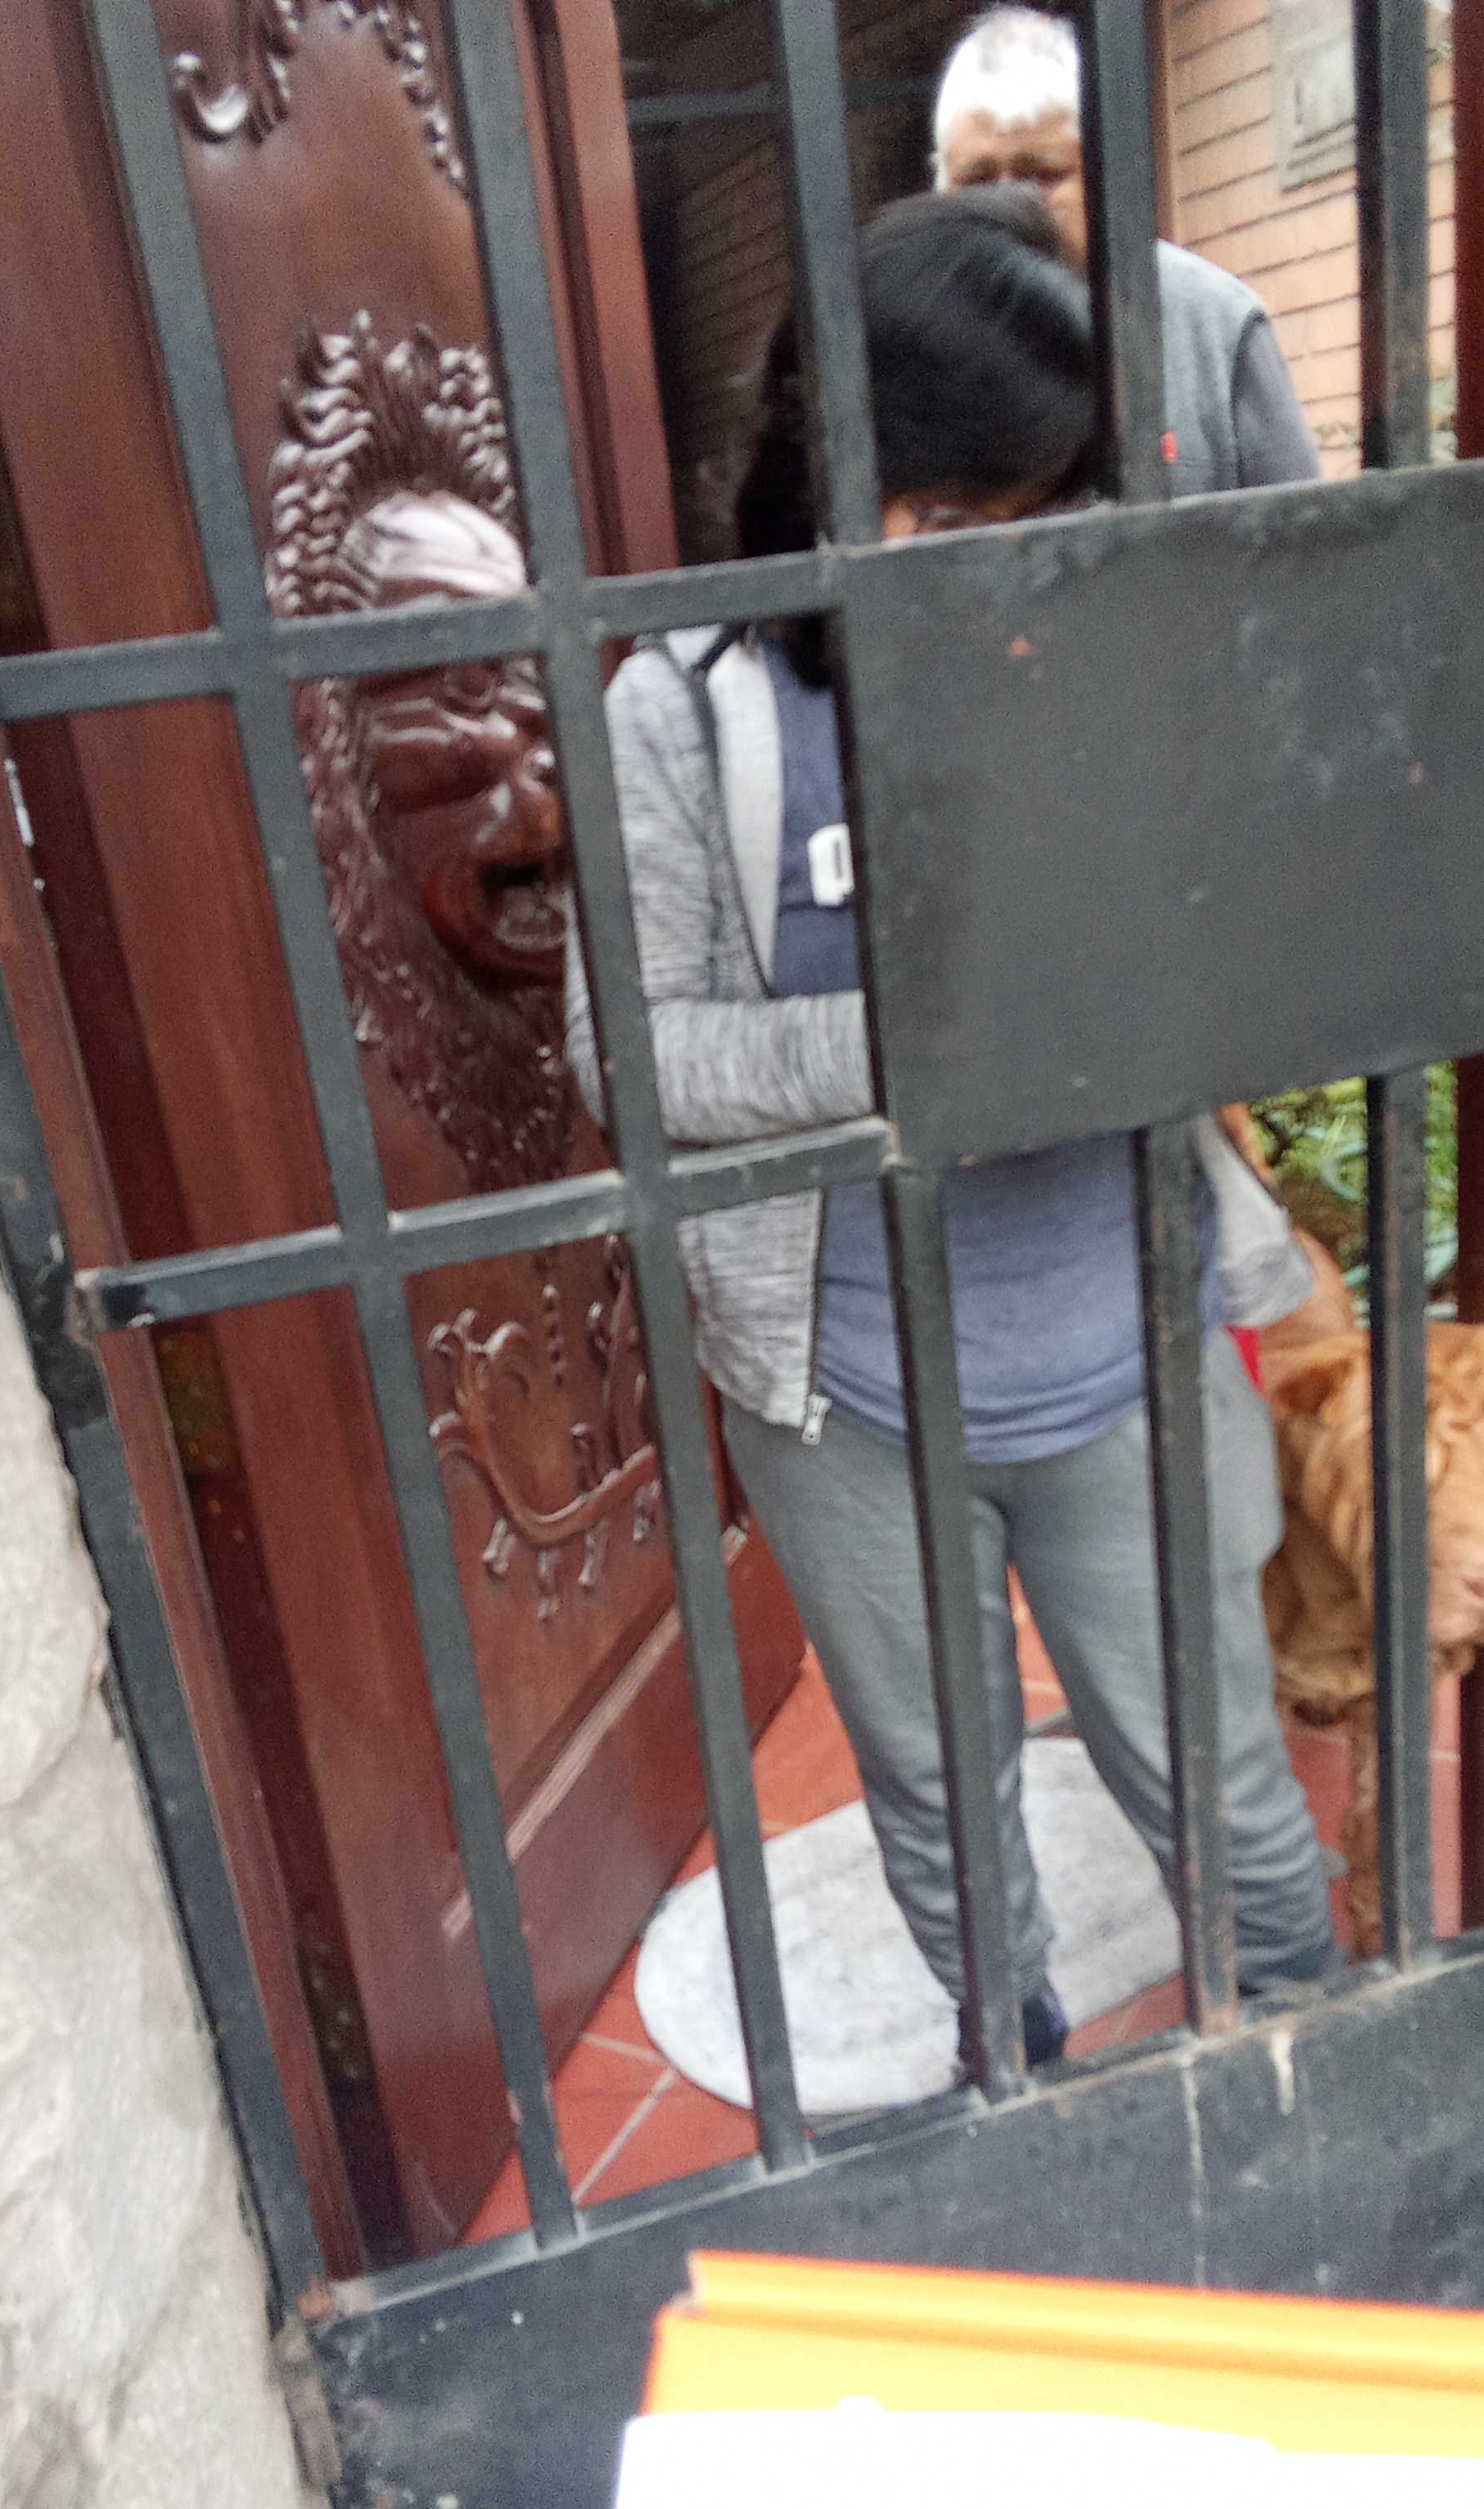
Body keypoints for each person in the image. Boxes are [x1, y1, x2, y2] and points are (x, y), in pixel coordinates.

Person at [566, 188, 1338, 2078]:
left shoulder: (1112, 644)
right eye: (959, 515)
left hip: (1124, 1352)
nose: (1008, 558)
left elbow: (1263, 940)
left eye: (1040, 506)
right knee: (943, 1806)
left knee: (1221, 1780)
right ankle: (1021, 2084)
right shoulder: (693, 708)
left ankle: (1316, 2080)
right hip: (849, 1397)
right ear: (848, 472)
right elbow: (631, 1058)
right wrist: (920, 1047)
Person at [933, 7, 1322, 496]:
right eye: (976, 180)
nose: (1006, 204)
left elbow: (1307, 531)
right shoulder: (908, 334)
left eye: (1042, 175)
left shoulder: (1214, 324)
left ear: (1102, 174)